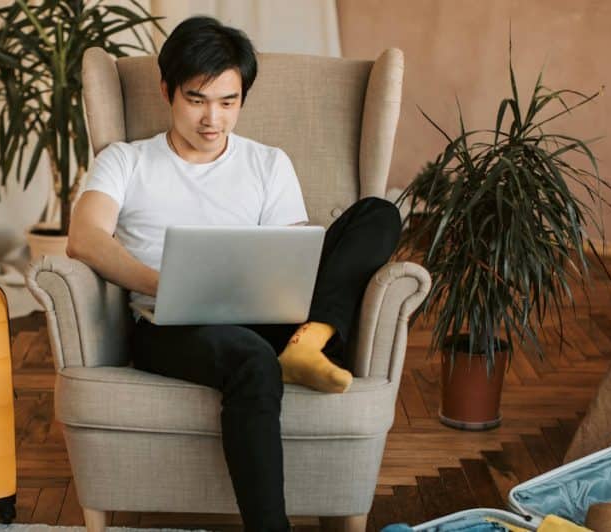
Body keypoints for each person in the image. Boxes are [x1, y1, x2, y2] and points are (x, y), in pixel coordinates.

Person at [66, 16, 401, 532]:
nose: (212, 119)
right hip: (168, 325)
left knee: (379, 213)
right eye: (197, 99)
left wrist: (287, 295)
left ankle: (310, 341)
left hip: (264, 315)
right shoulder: (126, 161)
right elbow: (84, 237)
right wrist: (165, 284)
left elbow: (292, 256)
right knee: (250, 359)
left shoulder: (268, 163)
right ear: (167, 91)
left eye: (228, 102)